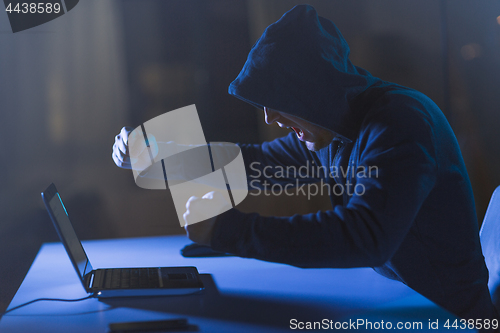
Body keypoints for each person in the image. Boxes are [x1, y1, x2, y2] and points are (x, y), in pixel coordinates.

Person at [113, 5, 498, 323]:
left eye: (277, 100)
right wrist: (157, 156)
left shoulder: (400, 124)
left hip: (452, 320)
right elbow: (257, 163)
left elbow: (367, 237)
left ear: (313, 90)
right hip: (405, 302)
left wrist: (228, 230)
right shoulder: (337, 126)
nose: (269, 117)